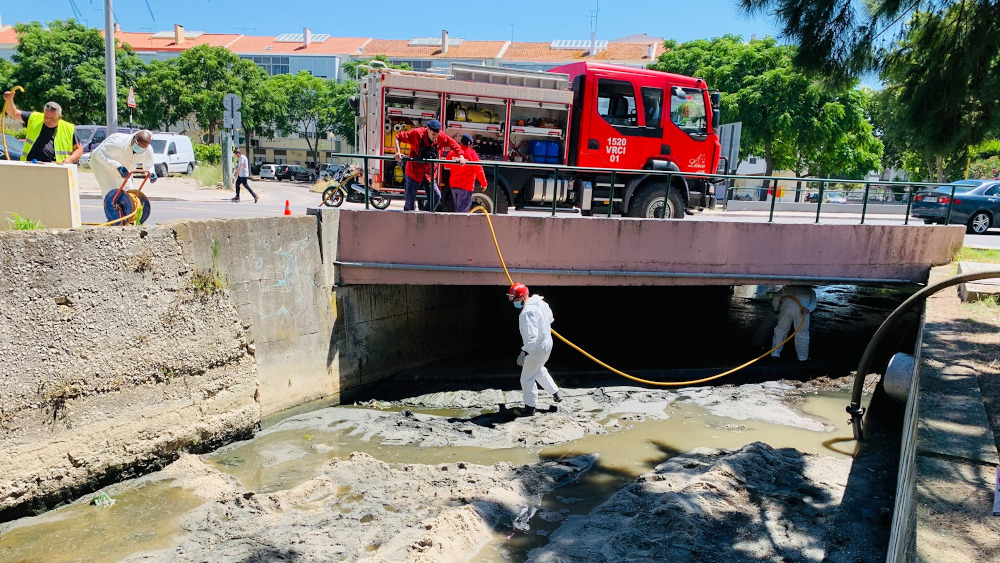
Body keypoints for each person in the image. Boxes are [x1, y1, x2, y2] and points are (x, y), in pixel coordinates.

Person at [508, 282, 562, 416]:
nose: (513, 301)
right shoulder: (540, 303)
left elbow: (531, 336)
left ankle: (529, 407)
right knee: (538, 369)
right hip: (547, 343)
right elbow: (550, 318)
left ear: (523, 297)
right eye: (511, 297)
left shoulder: (527, 312)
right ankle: (555, 393)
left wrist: (524, 352)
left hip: (535, 348)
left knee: (526, 378)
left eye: (514, 298)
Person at [393, 119, 465, 211]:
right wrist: (397, 152)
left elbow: (453, 143)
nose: (435, 137)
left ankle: (423, 216)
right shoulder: (416, 133)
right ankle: (410, 220)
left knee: (436, 196)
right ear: (427, 129)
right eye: (433, 134)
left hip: (429, 173)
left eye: (437, 134)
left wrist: (461, 156)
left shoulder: (440, 136)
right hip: (414, 171)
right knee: (409, 202)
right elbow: (397, 137)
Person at [2, 91, 83, 164]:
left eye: (51, 118)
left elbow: (79, 150)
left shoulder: (69, 128)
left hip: (55, 168)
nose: (47, 120)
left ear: (59, 117)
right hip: (29, 165)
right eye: (46, 116)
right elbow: (14, 113)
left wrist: (70, 160)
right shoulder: (35, 118)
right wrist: (9, 100)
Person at [90, 130, 157, 198]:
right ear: (134, 139)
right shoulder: (118, 141)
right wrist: (118, 166)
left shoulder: (148, 150)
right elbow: (100, 155)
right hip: (102, 164)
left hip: (123, 171)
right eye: (139, 145)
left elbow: (149, 165)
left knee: (129, 195)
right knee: (111, 193)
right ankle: (112, 207)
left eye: (143, 147)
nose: (140, 148)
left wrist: (151, 173)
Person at [771, 285, 818, 362]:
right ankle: (803, 357)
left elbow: (776, 299)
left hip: (786, 308)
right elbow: (814, 303)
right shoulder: (810, 291)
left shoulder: (786, 288)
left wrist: (776, 309)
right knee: (802, 333)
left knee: (780, 330)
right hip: (803, 310)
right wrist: (808, 309)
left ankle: (775, 354)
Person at [444, 134, 487, 213]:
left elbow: (446, 165)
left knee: (458, 209)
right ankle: (460, 225)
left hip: (454, 185)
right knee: (462, 213)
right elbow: (479, 170)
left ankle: (457, 224)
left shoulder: (453, 152)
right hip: (466, 187)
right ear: (471, 144)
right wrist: (484, 183)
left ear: (461, 142)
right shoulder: (472, 154)